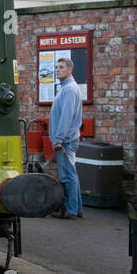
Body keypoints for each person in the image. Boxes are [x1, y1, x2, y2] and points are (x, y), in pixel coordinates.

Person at [49, 57, 83, 219]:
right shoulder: (66, 88)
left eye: (61, 67)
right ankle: (77, 208)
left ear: (70, 69)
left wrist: (58, 139)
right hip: (67, 139)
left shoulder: (69, 89)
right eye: (56, 67)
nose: (57, 70)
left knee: (68, 175)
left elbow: (66, 117)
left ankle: (71, 210)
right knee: (72, 174)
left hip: (65, 140)